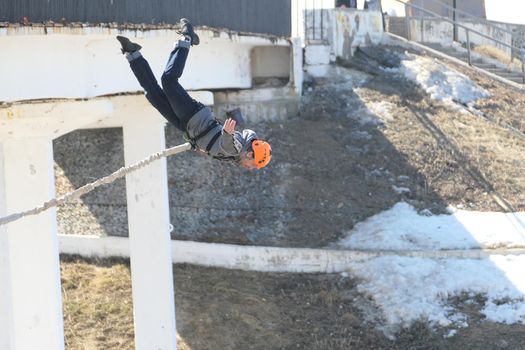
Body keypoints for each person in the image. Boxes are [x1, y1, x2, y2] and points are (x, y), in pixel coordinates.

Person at [116, 18, 272, 170]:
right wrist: (226, 133)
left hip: (189, 127)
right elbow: (228, 143)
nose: (252, 168)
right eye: (254, 165)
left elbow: (219, 147)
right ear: (251, 154)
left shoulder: (237, 156)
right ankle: (187, 38)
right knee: (168, 81)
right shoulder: (238, 147)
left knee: (153, 94)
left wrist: (202, 146)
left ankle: (132, 53)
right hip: (195, 117)